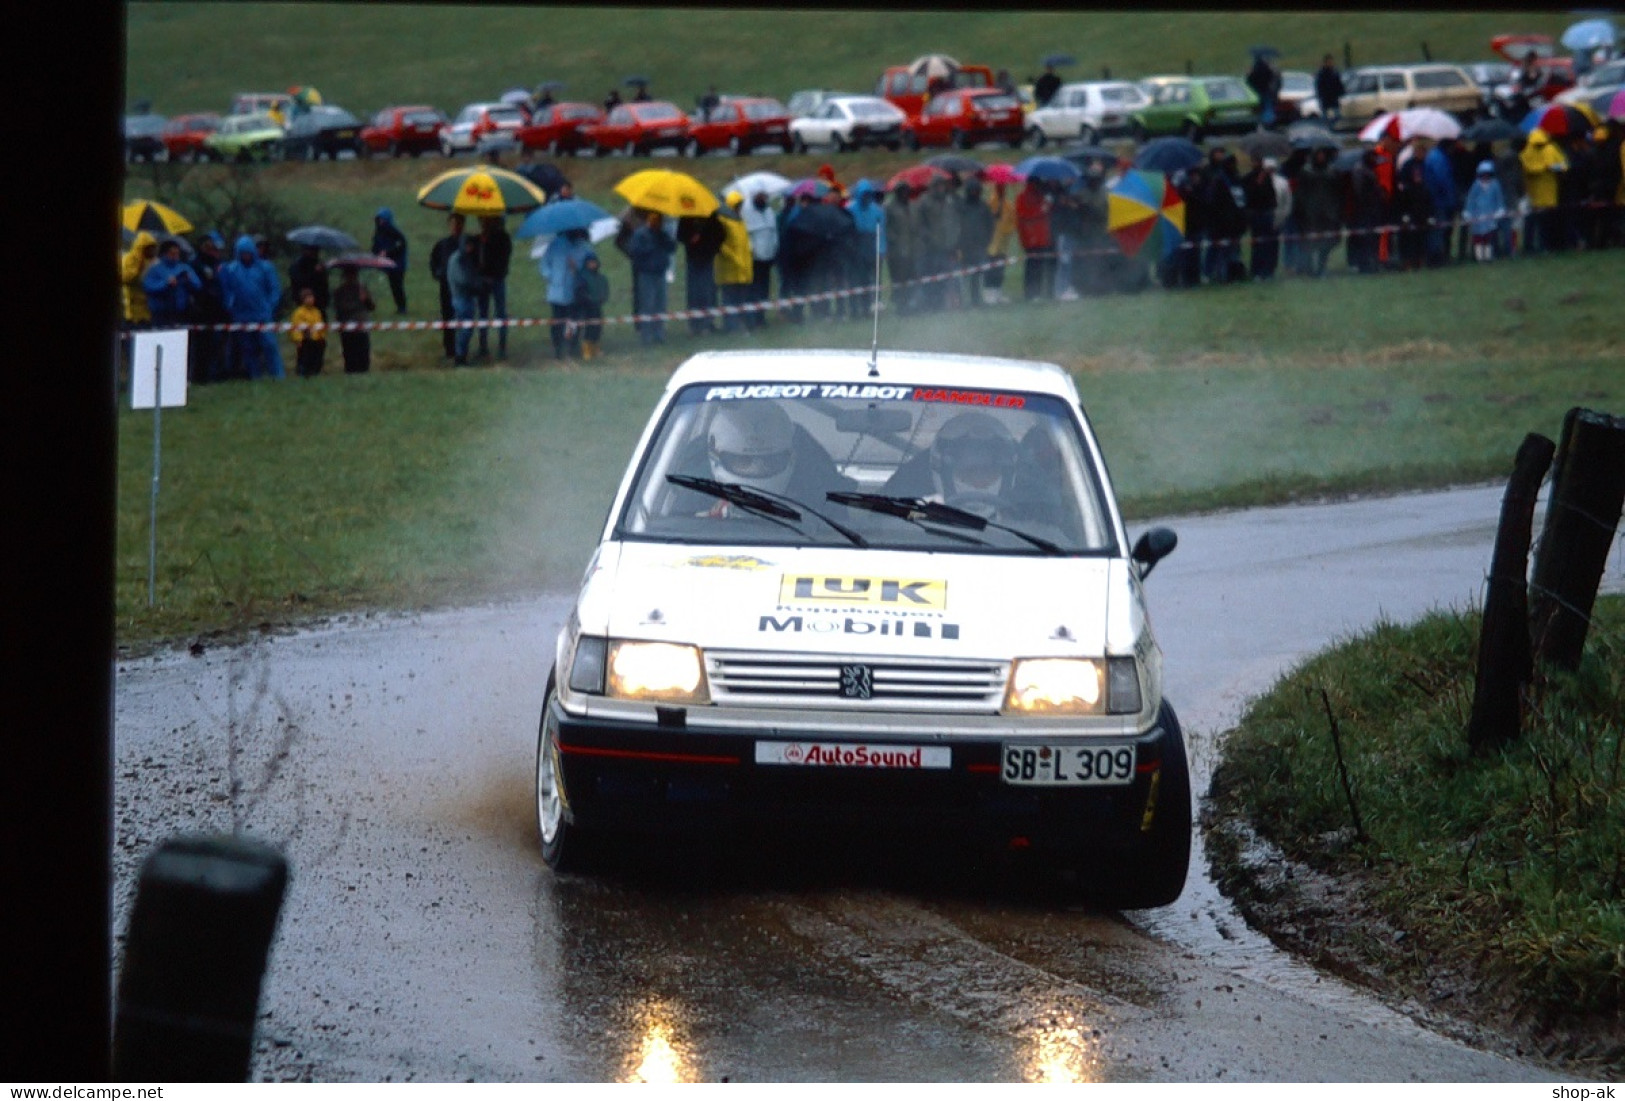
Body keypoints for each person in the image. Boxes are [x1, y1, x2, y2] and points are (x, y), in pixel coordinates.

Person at [884, 410, 1020, 520]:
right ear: (942, 473)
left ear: (1007, 475)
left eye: (987, 472)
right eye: (969, 472)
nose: (978, 483)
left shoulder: (1031, 525)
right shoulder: (912, 518)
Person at [219, 234, 284, 380]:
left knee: (269, 345)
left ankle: (278, 375)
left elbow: (275, 289)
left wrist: (269, 307)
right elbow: (226, 290)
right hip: (241, 316)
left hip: (262, 315)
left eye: (248, 253)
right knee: (248, 349)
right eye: (242, 253)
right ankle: (255, 376)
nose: (246, 256)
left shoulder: (265, 267)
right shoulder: (231, 269)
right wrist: (230, 305)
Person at [540, 227, 592, 359]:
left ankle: (572, 347)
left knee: (573, 322)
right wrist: (550, 276)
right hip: (556, 292)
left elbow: (592, 267)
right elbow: (544, 264)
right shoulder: (555, 244)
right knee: (558, 322)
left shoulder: (584, 248)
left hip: (574, 292)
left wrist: (578, 269)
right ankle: (558, 348)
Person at [628, 210, 675, 345]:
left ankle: (659, 334)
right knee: (647, 305)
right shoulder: (640, 234)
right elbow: (634, 251)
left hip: (660, 273)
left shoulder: (663, 234)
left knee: (661, 304)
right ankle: (646, 335)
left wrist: (666, 239)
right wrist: (650, 247)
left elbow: (672, 248)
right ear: (649, 220)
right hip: (646, 274)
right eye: (654, 220)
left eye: (659, 221)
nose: (657, 223)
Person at [188, 232, 230, 383]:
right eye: (211, 247)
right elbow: (196, 286)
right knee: (200, 346)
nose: (214, 251)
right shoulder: (194, 264)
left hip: (217, 310)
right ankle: (199, 377)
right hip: (200, 311)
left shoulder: (218, 264)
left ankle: (216, 374)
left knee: (217, 345)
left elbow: (222, 285)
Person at [1294, 145, 1342, 276]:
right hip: (1311, 214)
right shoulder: (1306, 171)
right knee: (1310, 244)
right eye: (1318, 154)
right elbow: (1301, 194)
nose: (1321, 157)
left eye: (1323, 154)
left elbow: (1337, 192)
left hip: (1328, 213)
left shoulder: (1331, 171)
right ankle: (1308, 268)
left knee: (1326, 243)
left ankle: (1322, 268)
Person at [1520, 127, 1568, 253]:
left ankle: (1530, 247)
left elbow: (1526, 168)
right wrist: (1549, 167)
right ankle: (1545, 246)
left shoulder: (1526, 152)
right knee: (1546, 224)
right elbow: (1563, 166)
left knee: (1531, 224)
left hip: (1533, 195)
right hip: (1548, 193)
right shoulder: (1550, 148)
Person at [678, 212, 726, 333]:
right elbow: (680, 235)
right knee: (694, 293)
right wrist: (690, 239)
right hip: (693, 259)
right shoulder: (686, 216)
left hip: (707, 259)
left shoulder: (711, 216)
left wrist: (711, 246)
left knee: (708, 292)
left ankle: (708, 323)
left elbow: (721, 234)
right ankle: (694, 324)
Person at [141, 238, 201, 330]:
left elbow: (198, 285)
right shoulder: (155, 269)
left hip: (181, 313)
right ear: (164, 253)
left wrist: (189, 280)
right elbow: (148, 287)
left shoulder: (184, 268)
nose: (175, 256)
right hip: (160, 314)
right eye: (172, 253)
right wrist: (166, 284)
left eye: (177, 253)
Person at [428, 213, 465, 360]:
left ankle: (461, 349)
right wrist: (438, 274)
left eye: (458, 224)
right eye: (453, 224)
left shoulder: (466, 243)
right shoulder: (442, 244)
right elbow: (433, 261)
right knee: (447, 317)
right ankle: (449, 349)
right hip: (445, 286)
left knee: (462, 317)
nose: (456, 227)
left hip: (461, 287)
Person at [716, 195, 755, 332]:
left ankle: (740, 324)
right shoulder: (723, 220)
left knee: (741, 299)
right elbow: (721, 244)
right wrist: (734, 258)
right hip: (729, 269)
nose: (740, 208)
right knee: (730, 299)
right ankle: (731, 326)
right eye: (738, 205)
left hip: (743, 268)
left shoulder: (740, 221)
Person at [476, 215, 512, 358]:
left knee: (500, 313)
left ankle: (502, 347)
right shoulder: (481, 238)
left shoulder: (503, 239)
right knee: (483, 313)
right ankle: (483, 346)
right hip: (484, 280)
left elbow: (502, 260)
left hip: (496, 279)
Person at [742, 190, 779, 329]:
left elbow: (773, 232)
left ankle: (761, 317)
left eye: (765, 195)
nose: (763, 198)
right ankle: (750, 319)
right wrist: (752, 251)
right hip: (754, 258)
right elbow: (747, 235)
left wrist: (775, 248)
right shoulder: (747, 211)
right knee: (752, 290)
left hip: (768, 257)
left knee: (764, 289)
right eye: (761, 195)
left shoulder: (769, 211)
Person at [446, 233, 484, 365]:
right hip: (461, 298)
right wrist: (477, 285)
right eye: (468, 245)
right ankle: (460, 356)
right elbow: (462, 280)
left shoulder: (465, 258)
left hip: (466, 297)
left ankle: (462, 354)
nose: (470, 248)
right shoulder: (457, 260)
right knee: (464, 329)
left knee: (466, 329)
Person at [956, 177, 994, 307]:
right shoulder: (961, 206)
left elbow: (990, 225)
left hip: (979, 246)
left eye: (977, 191)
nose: (975, 193)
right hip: (964, 246)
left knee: (977, 275)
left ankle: (976, 299)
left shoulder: (983, 206)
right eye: (972, 191)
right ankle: (962, 301)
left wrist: (986, 240)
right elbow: (956, 225)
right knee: (963, 275)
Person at [1422, 137, 1460, 267]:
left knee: (1438, 230)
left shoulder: (1434, 156)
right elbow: (1443, 180)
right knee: (1439, 230)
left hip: (1436, 199)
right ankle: (1436, 258)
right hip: (1439, 200)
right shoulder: (1439, 158)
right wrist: (1452, 198)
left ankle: (1437, 256)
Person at [1014, 177, 1053, 299]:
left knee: (1037, 265)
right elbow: (1024, 215)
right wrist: (1042, 210)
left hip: (1038, 236)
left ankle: (1035, 292)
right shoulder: (1024, 198)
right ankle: (1031, 293)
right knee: (1033, 265)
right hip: (1032, 236)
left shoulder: (1039, 196)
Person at [1241, 157, 1279, 280]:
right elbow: (1248, 196)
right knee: (1257, 244)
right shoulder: (1248, 178)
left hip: (1266, 213)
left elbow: (1272, 196)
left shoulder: (1267, 178)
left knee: (1269, 244)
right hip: (1255, 214)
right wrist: (1257, 184)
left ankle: (1268, 270)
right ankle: (1256, 271)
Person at [332, 264, 375, 373]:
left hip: (362, 324)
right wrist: (358, 302)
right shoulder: (339, 291)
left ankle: (364, 370)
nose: (352, 277)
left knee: (363, 350)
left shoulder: (362, 288)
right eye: (349, 275)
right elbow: (341, 307)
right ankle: (350, 371)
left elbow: (372, 307)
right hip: (346, 324)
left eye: (354, 275)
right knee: (349, 351)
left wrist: (366, 299)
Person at [1462, 160, 1507, 262]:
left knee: (1488, 237)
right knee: (1478, 238)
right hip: (1477, 216)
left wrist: (1499, 210)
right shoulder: (1476, 185)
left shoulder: (1495, 184)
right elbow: (1470, 199)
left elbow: (1499, 198)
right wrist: (1468, 212)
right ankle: (1479, 258)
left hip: (1490, 216)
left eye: (1487, 174)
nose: (1485, 176)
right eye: (1483, 174)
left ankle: (1488, 257)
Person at [884, 183, 917, 314]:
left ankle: (910, 303)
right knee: (898, 279)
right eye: (903, 192)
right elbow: (887, 228)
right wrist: (896, 240)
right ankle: (900, 305)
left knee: (910, 277)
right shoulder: (890, 208)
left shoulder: (911, 206)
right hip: (896, 252)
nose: (905, 194)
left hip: (911, 249)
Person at [121, 230, 159, 333]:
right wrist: (138, 269)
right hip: (130, 311)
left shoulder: (154, 261)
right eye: (149, 248)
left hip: (147, 311)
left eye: (153, 247)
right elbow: (125, 278)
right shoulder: (129, 259)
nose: (152, 251)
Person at [371, 208, 409, 314]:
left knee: (398, 285)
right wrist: (376, 254)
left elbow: (401, 244)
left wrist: (388, 252)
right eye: (379, 219)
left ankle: (402, 307)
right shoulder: (378, 232)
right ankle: (399, 306)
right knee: (393, 285)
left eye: (382, 219)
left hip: (398, 264)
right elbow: (375, 246)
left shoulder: (393, 231)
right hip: (387, 264)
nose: (380, 222)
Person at [574, 252, 609, 360]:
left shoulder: (601, 277)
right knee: (588, 329)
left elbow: (605, 290)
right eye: (590, 263)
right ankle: (586, 350)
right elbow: (580, 292)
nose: (593, 265)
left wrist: (602, 298)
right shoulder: (582, 277)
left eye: (594, 262)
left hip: (597, 306)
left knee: (597, 328)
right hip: (586, 307)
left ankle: (596, 349)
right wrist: (587, 299)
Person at [289, 287, 327, 377]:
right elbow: (296, 327)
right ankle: (303, 373)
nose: (310, 300)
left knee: (317, 358)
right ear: (303, 300)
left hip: (317, 339)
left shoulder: (316, 312)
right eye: (308, 298)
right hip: (305, 340)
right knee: (304, 358)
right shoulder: (298, 312)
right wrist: (298, 340)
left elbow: (320, 325)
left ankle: (315, 372)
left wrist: (322, 336)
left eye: (311, 297)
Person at [287, 243, 330, 315]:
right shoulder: (297, 265)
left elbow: (324, 285)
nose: (314, 253)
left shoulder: (319, 263)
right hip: (302, 304)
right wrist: (314, 272)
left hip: (320, 304)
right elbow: (299, 281)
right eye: (312, 250)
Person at [1246, 54, 1281, 128]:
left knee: (1260, 107)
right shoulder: (1267, 69)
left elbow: (1249, 80)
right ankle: (1269, 122)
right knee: (1268, 106)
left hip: (1256, 91)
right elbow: (1273, 78)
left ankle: (1261, 121)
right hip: (1267, 90)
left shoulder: (1254, 70)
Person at [1314, 54, 1345, 127]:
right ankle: (1328, 127)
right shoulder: (1322, 74)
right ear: (1325, 62)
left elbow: (1339, 84)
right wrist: (1321, 95)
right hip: (1325, 98)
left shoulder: (1334, 72)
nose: (1330, 63)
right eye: (1329, 62)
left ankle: (1332, 125)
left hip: (1334, 98)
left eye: (1331, 62)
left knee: (1338, 115)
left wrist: (1341, 92)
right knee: (1325, 116)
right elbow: (1319, 86)